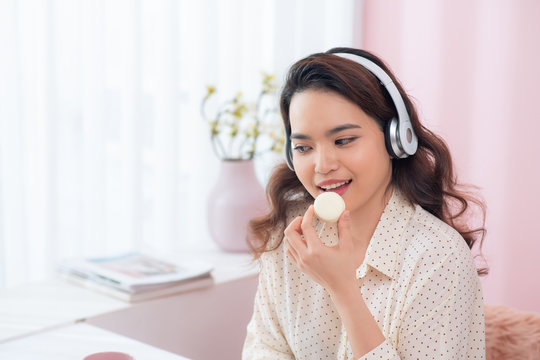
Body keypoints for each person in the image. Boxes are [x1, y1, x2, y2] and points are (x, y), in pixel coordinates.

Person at [242, 47, 487, 359]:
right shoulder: (291, 231)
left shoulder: (438, 258)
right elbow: (264, 348)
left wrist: (344, 290)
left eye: (343, 141)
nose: (322, 165)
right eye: (304, 147)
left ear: (396, 140)